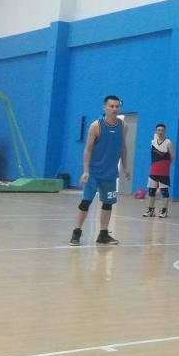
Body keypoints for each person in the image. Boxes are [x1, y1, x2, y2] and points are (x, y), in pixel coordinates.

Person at [70, 95, 129, 246]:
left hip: (110, 174)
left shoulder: (123, 126)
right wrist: (86, 171)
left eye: (117, 106)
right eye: (111, 106)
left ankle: (103, 234)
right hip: (94, 173)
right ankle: (76, 232)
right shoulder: (96, 126)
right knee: (86, 202)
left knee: (108, 204)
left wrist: (126, 167)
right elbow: (88, 150)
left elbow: (123, 148)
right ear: (105, 108)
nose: (115, 109)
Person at [143, 123, 175, 218]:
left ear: (165, 131)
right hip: (153, 170)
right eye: (158, 130)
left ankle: (164, 211)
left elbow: (172, 156)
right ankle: (151, 210)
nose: (160, 132)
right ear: (156, 131)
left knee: (164, 191)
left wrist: (166, 165)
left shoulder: (168, 142)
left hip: (164, 172)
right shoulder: (153, 142)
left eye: (162, 130)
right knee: (151, 191)